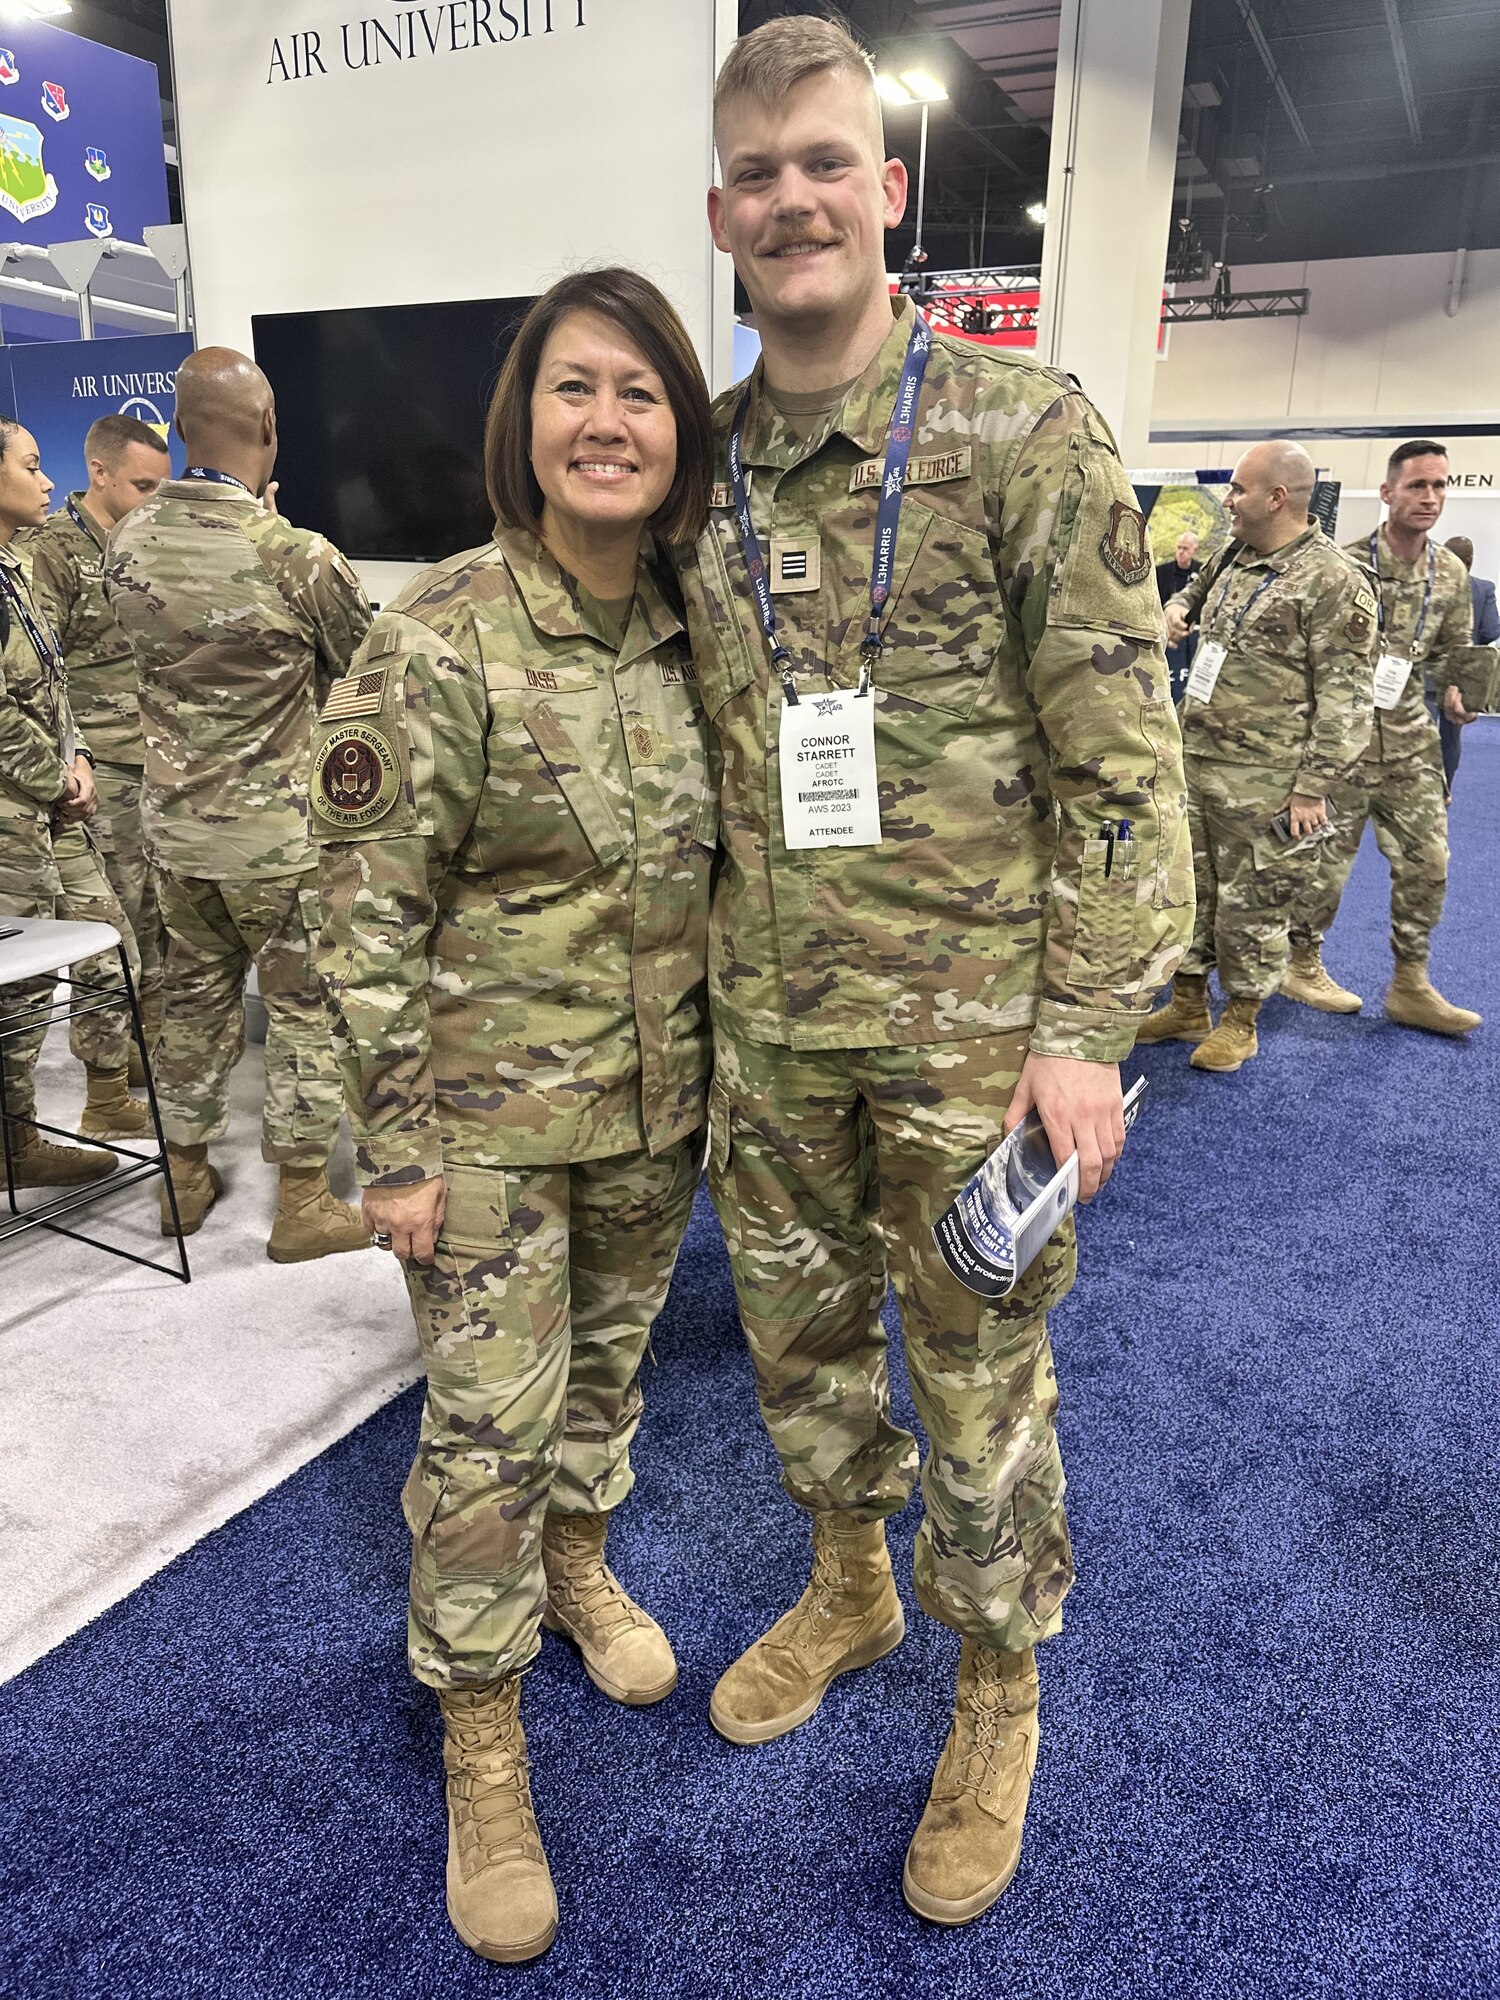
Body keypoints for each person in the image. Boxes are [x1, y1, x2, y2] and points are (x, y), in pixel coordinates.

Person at [679, 16, 1192, 1929]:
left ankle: (998, 1684)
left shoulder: (1019, 433)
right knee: (805, 1367)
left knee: (980, 1382)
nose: (793, 196)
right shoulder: (698, 472)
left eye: (828, 161)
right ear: (723, 216)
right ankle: (847, 1580)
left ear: (886, 196)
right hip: (772, 1038)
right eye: (758, 172)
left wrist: (1083, 1037)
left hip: (976, 1053)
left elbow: (1125, 771)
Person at [314, 270, 716, 1965]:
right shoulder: (440, 634)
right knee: (484, 1434)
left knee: (605, 1387)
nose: (608, 420)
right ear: (525, 423)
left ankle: (579, 1564)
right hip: (480, 1133)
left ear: (681, 428)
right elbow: (359, 906)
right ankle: (482, 1730)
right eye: (575, 389)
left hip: (650, 1116)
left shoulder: (707, 629)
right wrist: (395, 1147)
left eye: (640, 390)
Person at [103, 348, 374, 1257]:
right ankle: (301, 1202)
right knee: (304, 1006)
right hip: (279, 842)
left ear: (178, 431)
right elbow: (366, 671)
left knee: (192, 995)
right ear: (268, 428)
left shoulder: (129, 541)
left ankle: (182, 1173)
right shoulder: (294, 555)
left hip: (174, 832)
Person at [1142, 439, 1377, 1070]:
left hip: (1272, 780)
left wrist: (1313, 787)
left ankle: (1240, 1021)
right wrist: (1175, 610)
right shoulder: (1235, 554)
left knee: (1256, 905)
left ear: (1278, 498)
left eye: (1239, 490)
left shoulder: (1334, 580)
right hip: (1199, 759)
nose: (1229, 500)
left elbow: (1348, 698)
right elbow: (1192, 589)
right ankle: (1188, 1005)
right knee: (1188, 891)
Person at [1281, 441, 1480, 1033]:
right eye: (1418, 485)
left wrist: (1457, 695)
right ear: (1388, 492)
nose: (1431, 497)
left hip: (1412, 746)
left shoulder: (1451, 573)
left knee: (1429, 863)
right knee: (1323, 868)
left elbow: (1453, 655)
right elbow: (1305, 662)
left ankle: (1410, 983)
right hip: (1343, 747)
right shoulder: (1343, 566)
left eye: (1440, 486)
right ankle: (1300, 963)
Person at [0, 417, 139, 1186]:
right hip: (14, 817)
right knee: (17, 991)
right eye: (30, 464)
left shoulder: (13, 569)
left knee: (108, 942)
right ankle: (13, 1143)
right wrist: (59, 779)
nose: (48, 481)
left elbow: (52, 687)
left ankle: (108, 1096)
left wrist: (77, 754)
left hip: (52, 804)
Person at [25, 414, 171, 1127]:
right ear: (101, 473)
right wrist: (66, 760)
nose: (153, 498)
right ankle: (103, 1092)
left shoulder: (149, 541)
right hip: (95, 769)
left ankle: (137, 1050)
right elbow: (36, 670)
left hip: (156, 757)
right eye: (142, 485)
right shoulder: (50, 551)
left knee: (152, 918)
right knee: (107, 934)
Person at [1438, 533, 1498, 793]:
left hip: (1426, 673)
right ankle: (1445, 790)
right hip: (1462, 675)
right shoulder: (1484, 589)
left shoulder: (1428, 585)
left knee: (1414, 733)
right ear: (1471, 560)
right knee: (1451, 737)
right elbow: (1492, 631)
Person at [1156, 530, 1200, 703]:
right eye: (1179, 548)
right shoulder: (1162, 572)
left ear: (1194, 551)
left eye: (1186, 548)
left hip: (1193, 636)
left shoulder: (1201, 573)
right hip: (1166, 633)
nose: (1181, 552)